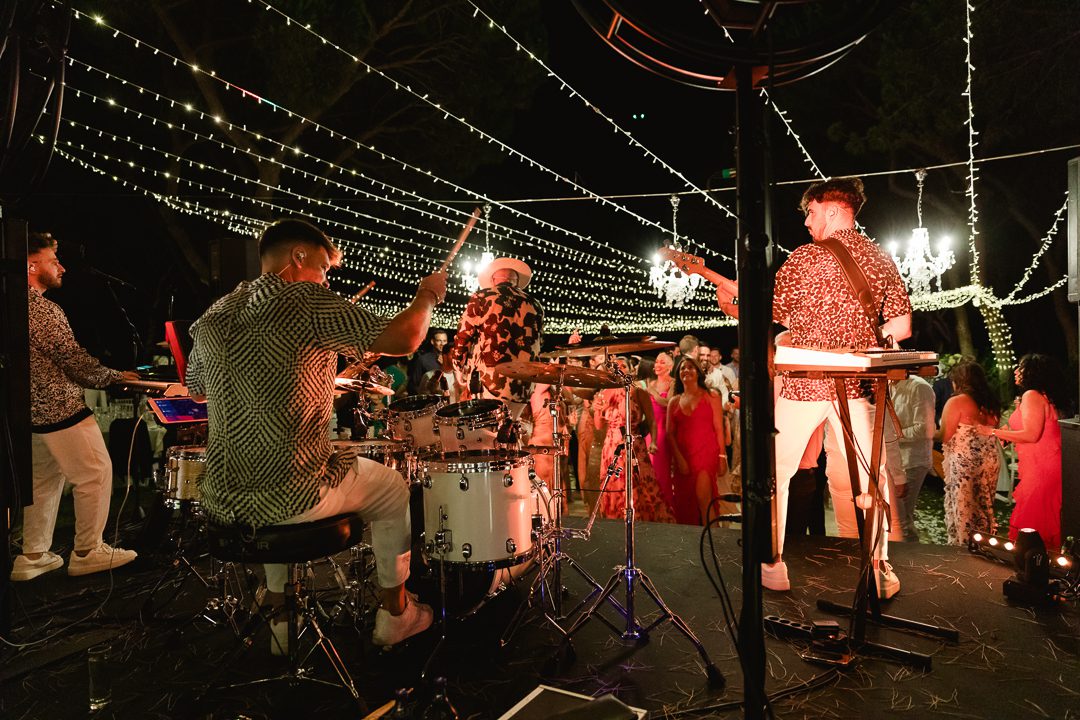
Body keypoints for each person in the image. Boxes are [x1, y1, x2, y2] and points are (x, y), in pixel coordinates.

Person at [186, 218, 444, 650]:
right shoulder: (305, 298)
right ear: (298, 257)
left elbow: (197, 387)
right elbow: (405, 337)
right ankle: (397, 613)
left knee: (272, 474)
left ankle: (281, 623)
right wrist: (427, 296)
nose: (326, 279)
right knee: (393, 488)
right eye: (323, 268)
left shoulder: (216, 312)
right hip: (294, 496)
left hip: (221, 498)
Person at [719, 177, 912, 596]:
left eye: (810, 212)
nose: (807, 222)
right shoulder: (881, 259)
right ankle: (879, 569)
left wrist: (731, 302)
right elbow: (901, 326)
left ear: (832, 209)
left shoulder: (805, 257)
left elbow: (766, 311)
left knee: (775, 471)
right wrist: (860, 343)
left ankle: (772, 563)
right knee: (871, 476)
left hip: (805, 385)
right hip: (855, 386)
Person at [11, 232, 141, 582]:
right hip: (59, 407)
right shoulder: (41, 310)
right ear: (31, 266)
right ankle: (87, 551)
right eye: (54, 261)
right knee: (96, 472)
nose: (62, 268)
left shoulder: (11, 305)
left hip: (29, 411)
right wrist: (114, 376)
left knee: (43, 482)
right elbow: (73, 361)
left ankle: (33, 555)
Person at [977, 354, 1067, 550]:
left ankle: (1033, 560)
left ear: (1033, 373)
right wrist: (1006, 435)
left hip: (1042, 468)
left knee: (1033, 521)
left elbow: (1031, 435)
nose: (1016, 371)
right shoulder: (1044, 396)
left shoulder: (1032, 395)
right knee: (1044, 518)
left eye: (1021, 368)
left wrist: (991, 432)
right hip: (1046, 465)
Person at [450, 258, 542, 419]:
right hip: (524, 383)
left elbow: (464, 334)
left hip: (491, 379)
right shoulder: (535, 305)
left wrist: (458, 366)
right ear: (516, 281)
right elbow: (538, 343)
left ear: (493, 280)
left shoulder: (483, 296)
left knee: (488, 429)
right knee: (511, 426)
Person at [595, 357, 674, 522]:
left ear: (631, 370)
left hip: (634, 446)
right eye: (616, 366)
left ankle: (639, 525)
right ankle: (614, 523)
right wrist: (597, 409)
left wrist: (653, 442)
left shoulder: (638, 392)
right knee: (613, 486)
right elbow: (598, 425)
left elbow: (651, 420)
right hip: (611, 447)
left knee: (638, 488)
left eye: (623, 366)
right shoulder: (605, 393)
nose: (619, 369)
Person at [936, 360, 1001, 545]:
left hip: (966, 463)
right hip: (989, 461)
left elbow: (945, 435)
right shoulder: (991, 403)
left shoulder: (956, 401)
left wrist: (928, 433)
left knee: (965, 509)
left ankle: (965, 548)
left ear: (959, 381)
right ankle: (983, 544)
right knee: (984, 506)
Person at [668, 357, 730, 525]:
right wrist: (679, 459)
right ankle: (691, 538)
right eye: (682, 368)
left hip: (705, 454)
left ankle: (712, 535)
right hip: (684, 456)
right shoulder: (674, 401)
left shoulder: (712, 396)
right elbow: (670, 434)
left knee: (704, 499)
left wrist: (722, 457)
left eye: (690, 367)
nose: (686, 370)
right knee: (685, 502)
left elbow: (719, 429)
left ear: (698, 372)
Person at [886, 374, 936, 542]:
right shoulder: (887, 384)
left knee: (902, 519)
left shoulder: (919, 387)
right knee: (896, 517)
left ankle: (910, 553)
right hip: (894, 459)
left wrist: (891, 436)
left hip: (912, 459)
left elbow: (924, 429)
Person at [644, 352, 676, 511]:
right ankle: (651, 506)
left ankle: (665, 506)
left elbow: (668, 403)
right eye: (656, 361)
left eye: (662, 362)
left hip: (663, 429)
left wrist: (653, 392)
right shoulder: (651, 382)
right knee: (649, 469)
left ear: (670, 367)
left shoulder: (673, 383)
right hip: (650, 431)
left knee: (661, 469)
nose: (657, 365)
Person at [407, 329, 448, 394]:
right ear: (432, 341)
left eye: (444, 341)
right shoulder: (423, 359)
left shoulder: (451, 358)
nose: (442, 344)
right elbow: (414, 384)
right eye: (439, 341)